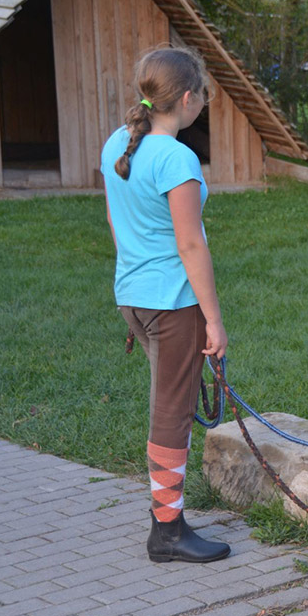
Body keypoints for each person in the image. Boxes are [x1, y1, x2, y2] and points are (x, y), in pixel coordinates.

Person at [101, 47, 231, 564]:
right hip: (174, 305)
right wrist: (214, 320)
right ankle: (168, 531)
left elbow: (115, 222)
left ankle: (166, 518)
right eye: (202, 93)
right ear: (186, 98)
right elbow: (191, 245)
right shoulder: (177, 158)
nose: (203, 101)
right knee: (172, 415)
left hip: (133, 297)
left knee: (166, 406)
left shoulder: (119, 143)